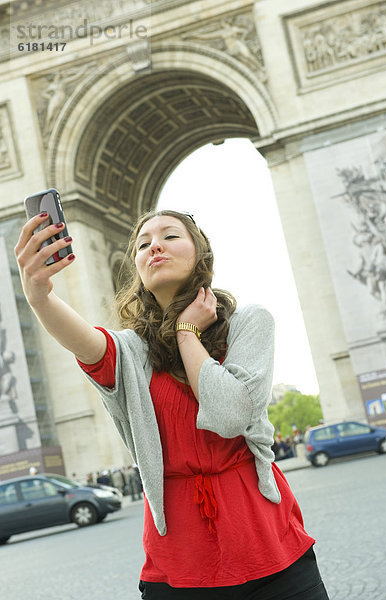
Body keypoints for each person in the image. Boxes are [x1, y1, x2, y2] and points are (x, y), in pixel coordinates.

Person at [15, 208, 329, 599]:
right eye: (143, 244)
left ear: (202, 254)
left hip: (269, 547)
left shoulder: (250, 321)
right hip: (177, 562)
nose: (155, 246)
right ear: (138, 270)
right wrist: (38, 295)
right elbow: (81, 339)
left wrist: (186, 333)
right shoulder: (129, 352)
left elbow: (230, 415)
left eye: (170, 236)